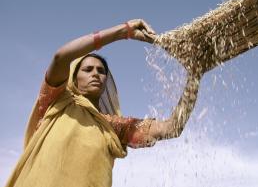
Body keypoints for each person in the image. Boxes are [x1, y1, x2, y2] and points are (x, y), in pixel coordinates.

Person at [5, 19, 201, 187]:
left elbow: (172, 128)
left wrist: (195, 75)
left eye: (101, 71)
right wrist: (123, 32)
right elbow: (60, 57)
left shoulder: (111, 126)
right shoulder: (57, 101)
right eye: (88, 69)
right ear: (74, 77)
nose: (96, 74)